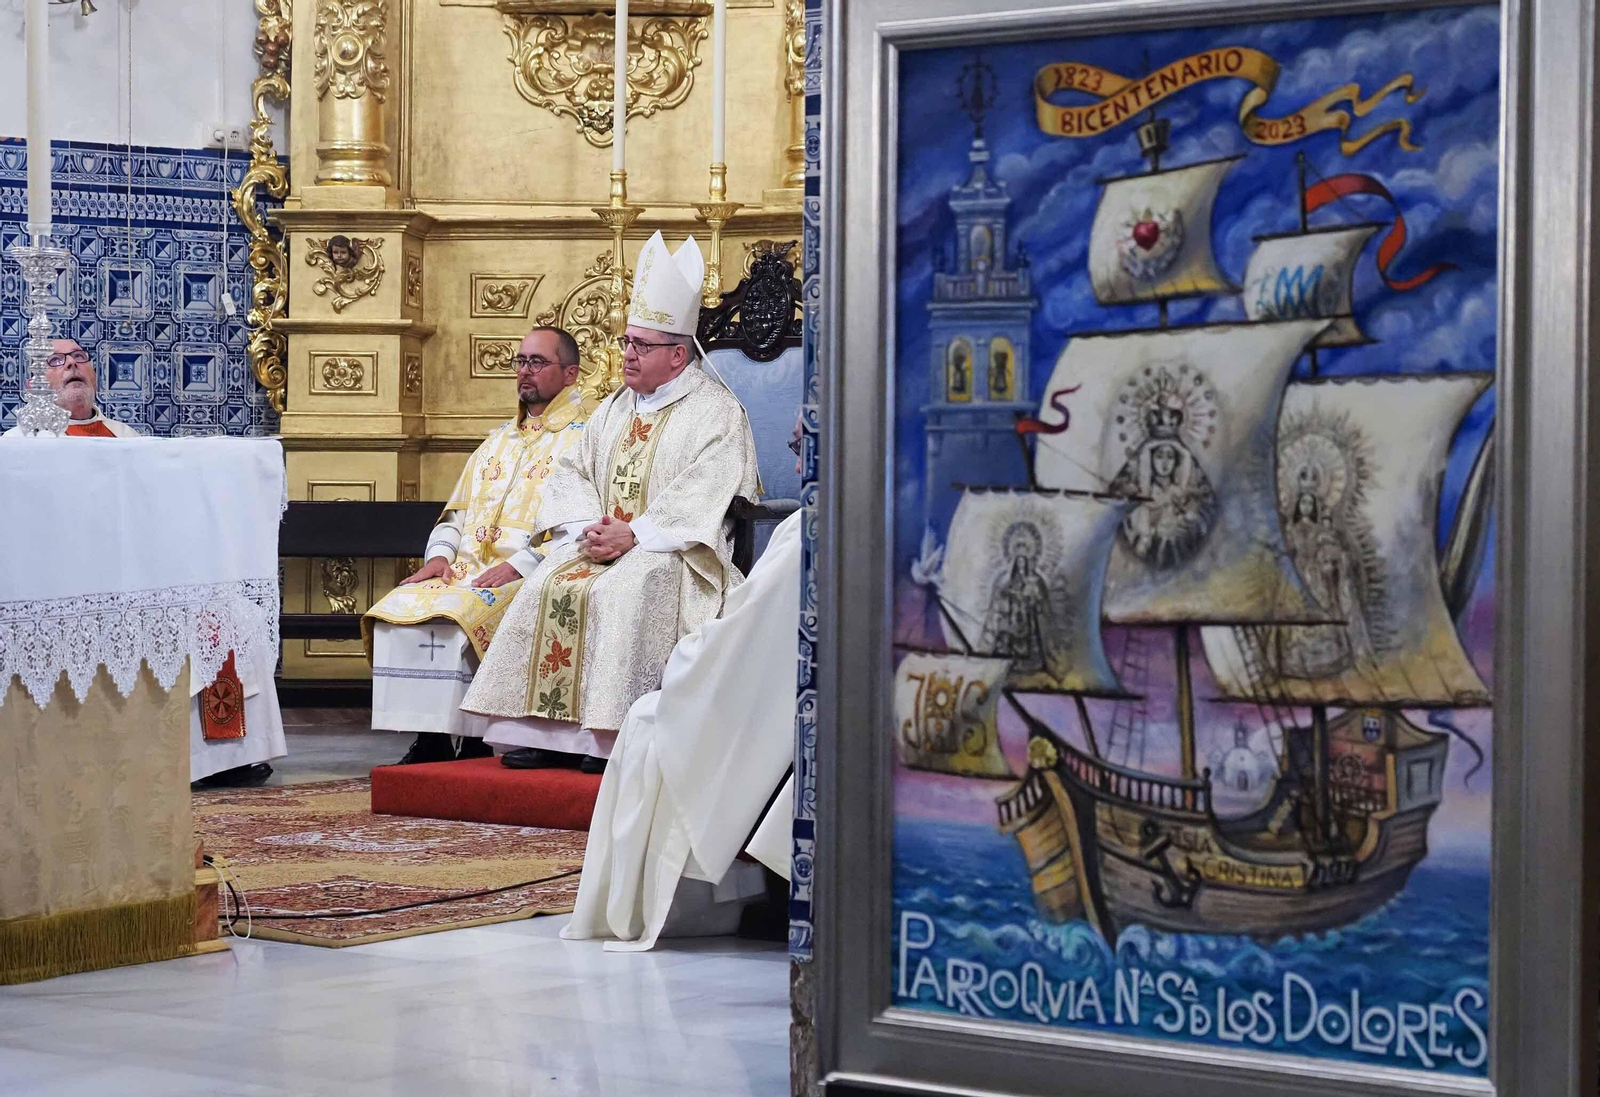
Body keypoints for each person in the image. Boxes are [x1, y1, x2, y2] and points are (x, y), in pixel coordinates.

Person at [461, 230, 760, 774]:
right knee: (548, 580)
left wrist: (635, 535)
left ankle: (608, 737)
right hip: (602, 542)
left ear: (676, 354)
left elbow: (708, 492)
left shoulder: (717, 412)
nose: (626, 354)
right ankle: (543, 732)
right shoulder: (617, 407)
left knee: (626, 590)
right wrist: (587, 530)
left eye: (640, 346)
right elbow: (572, 471)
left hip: (675, 553)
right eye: (626, 342)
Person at [562, 420, 803, 950]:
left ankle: (706, 897)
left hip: (777, 687)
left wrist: (686, 661)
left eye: (800, 444)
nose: (795, 458)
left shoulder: (806, 527)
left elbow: (747, 635)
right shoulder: (608, 416)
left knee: (651, 718)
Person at [1, 340, 282, 788]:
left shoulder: (125, 438)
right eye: (56, 362)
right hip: (66, 585)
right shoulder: (18, 448)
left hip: (138, 578)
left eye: (79, 358)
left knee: (230, 616)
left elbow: (162, 516)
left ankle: (222, 756)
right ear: (34, 383)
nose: (72, 365)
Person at [363, 326, 596, 765]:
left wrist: (521, 567)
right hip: (464, 571)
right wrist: (438, 558)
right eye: (521, 361)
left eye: (537, 362)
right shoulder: (497, 441)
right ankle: (431, 738)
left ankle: (475, 740)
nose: (525, 372)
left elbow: (578, 529)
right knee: (404, 605)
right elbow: (457, 514)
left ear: (570, 374)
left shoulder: (584, 440)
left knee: (464, 613)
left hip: (532, 574)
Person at [2, 340, 137, 438]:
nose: (72, 362)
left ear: (95, 377)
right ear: (35, 386)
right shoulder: (19, 441)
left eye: (79, 356)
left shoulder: (127, 437)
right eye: (54, 360)